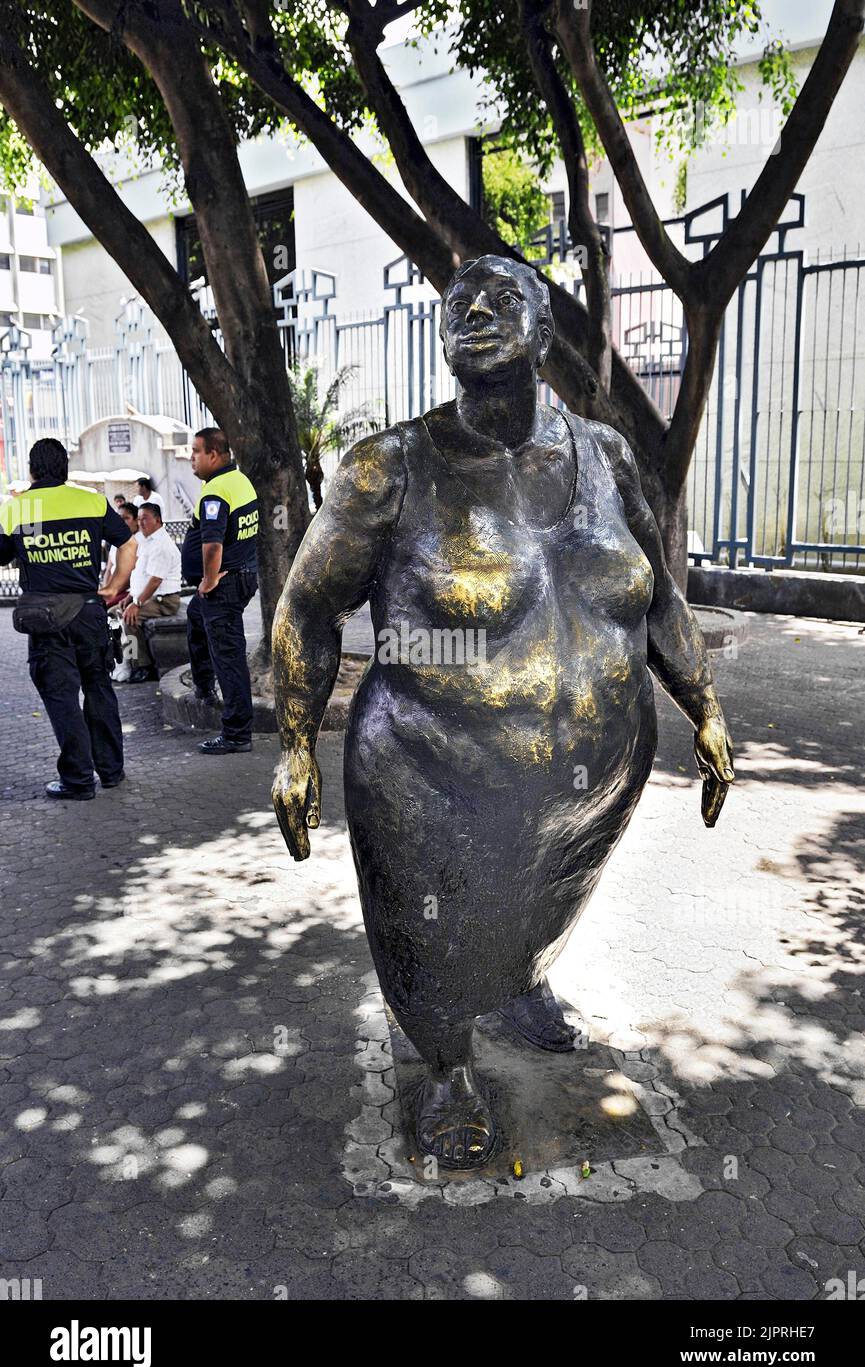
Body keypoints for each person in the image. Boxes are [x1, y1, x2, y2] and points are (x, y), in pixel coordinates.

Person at [271, 255, 735, 1168]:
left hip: (593, 777)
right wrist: (294, 745)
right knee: (431, 926)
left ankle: (520, 985)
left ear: (545, 330)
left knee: (540, 900)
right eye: (457, 304)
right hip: (430, 766)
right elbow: (306, 606)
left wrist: (705, 708)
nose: (474, 313)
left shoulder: (604, 454)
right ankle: (444, 1069)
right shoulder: (388, 467)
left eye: (501, 298)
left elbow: (658, 599)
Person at [0, 437, 137, 800]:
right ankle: (111, 771)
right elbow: (128, 543)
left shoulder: (15, 509)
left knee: (62, 697)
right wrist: (115, 586)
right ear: (64, 469)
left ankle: (78, 780)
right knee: (99, 689)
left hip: (46, 620)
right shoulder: (91, 501)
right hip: (89, 611)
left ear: (32, 470)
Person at [181, 427, 259, 753]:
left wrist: (209, 580)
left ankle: (237, 734)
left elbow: (212, 546)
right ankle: (203, 686)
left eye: (196, 452)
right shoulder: (240, 482)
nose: (192, 459)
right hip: (241, 577)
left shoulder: (215, 491)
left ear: (214, 454)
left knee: (228, 659)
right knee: (195, 616)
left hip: (223, 585)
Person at [121, 501, 182, 682]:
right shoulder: (146, 541)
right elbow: (141, 575)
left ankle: (141, 666)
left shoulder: (161, 544)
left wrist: (136, 604)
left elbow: (155, 581)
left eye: (145, 519)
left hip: (164, 600)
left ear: (158, 520)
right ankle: (123, 660)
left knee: (129, 618)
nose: (140, 523)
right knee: (113, 613)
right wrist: (130, 596)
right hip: (149, 597)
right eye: (138, 519)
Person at [102, 501, 140, 603]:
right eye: (119, 518)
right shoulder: (117, 541)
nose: (122, 521)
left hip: (128, 592)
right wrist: (106, 588)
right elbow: (108, 569)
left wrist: (112, 591)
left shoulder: (139, 543)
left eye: (126, 518)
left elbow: (130, 576)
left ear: (136, 520)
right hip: (112, 590)